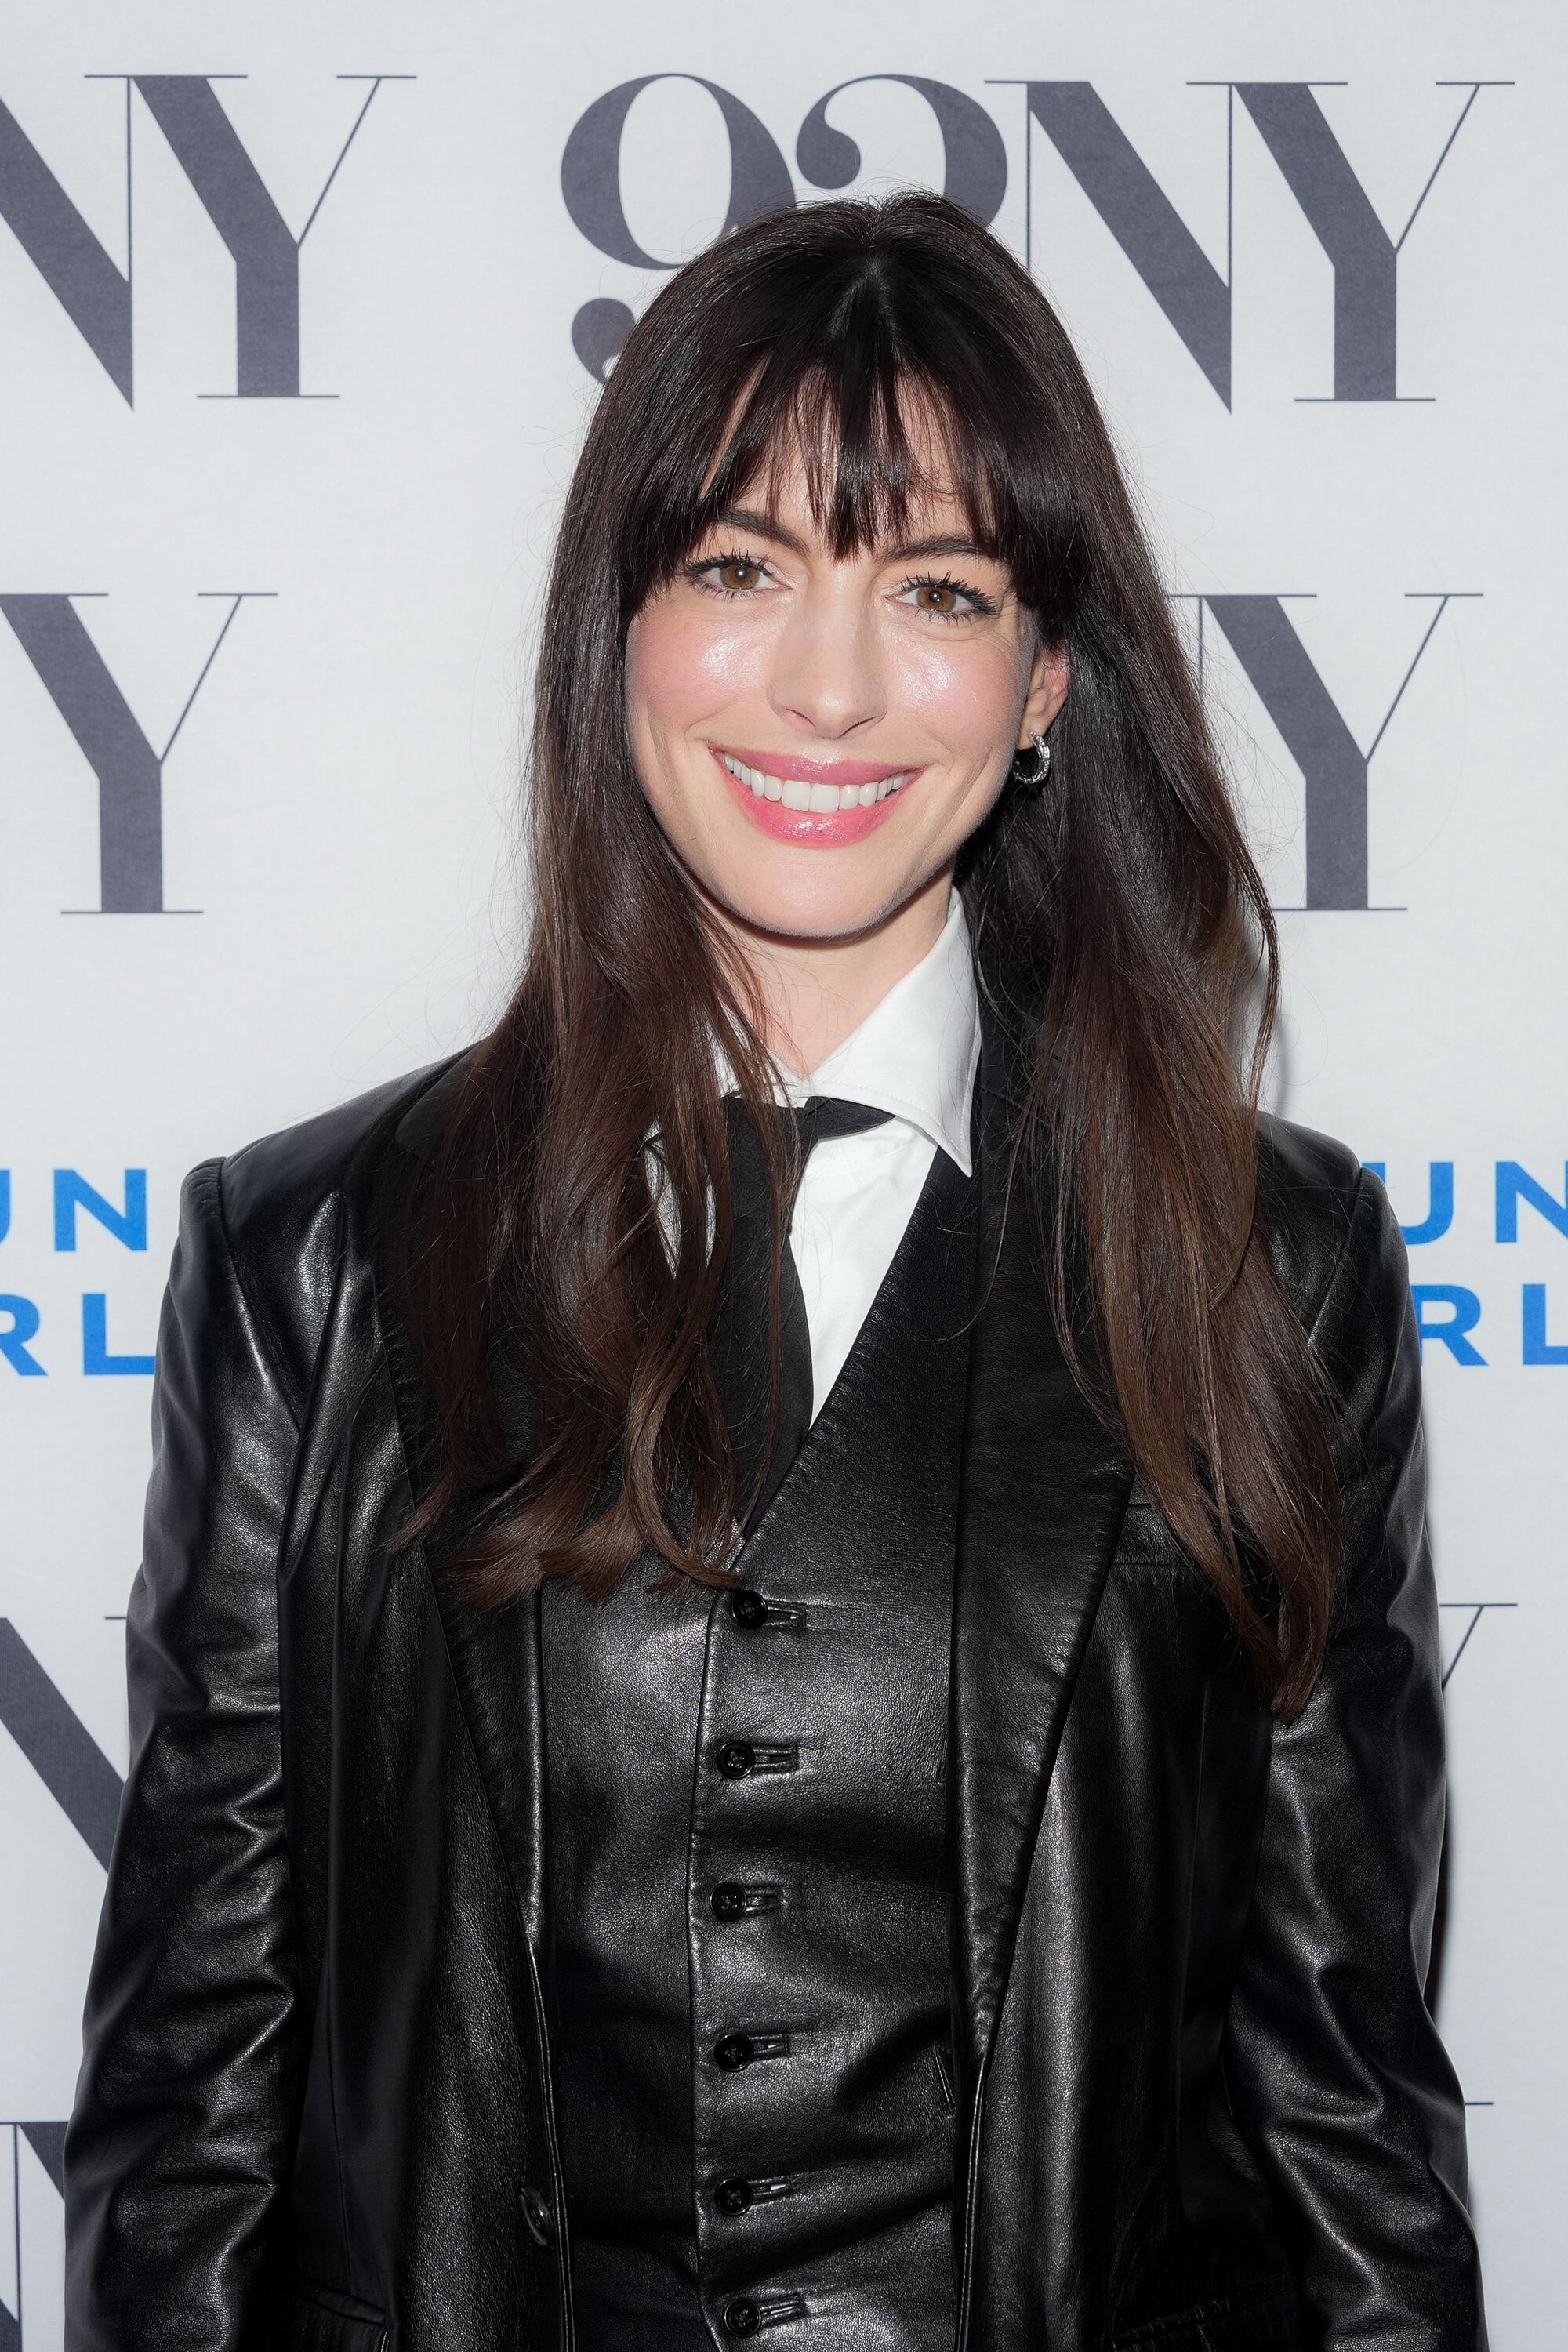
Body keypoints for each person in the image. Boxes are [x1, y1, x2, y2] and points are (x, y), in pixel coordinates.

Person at [62, 192, 1486, 2352]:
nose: (829, 685)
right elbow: (197, 2113)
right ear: (619, 630)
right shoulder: (313, 1266)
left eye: (938, 590)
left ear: (1046, 680)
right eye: (740, 568)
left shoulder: (1263, 1272)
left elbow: (1343, 2117)